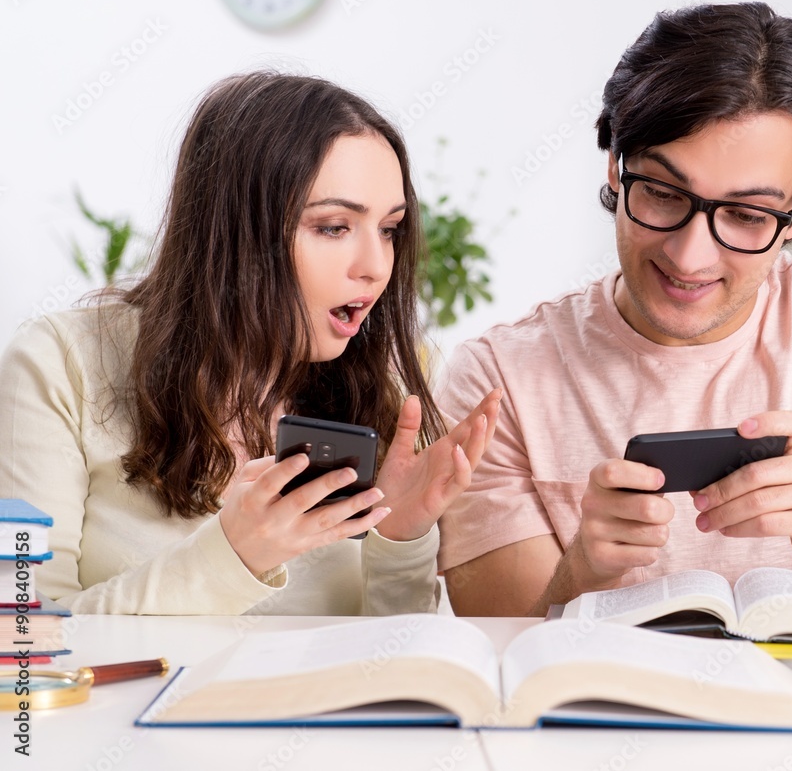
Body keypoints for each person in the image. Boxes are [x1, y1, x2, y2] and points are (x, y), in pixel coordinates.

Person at [435, 2, 792, 621]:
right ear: (615, 170)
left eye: (747, 215)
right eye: (661, 192)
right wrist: (582, 570)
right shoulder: (498, 377)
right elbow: (497, 663)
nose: (689, 255)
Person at [0, 71, 501, 615]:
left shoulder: (389, 384)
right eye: (334, 227)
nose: (376, 267)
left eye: (389, 229)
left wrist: (402, 538)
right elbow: (25, 639)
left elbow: (396, 670)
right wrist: (231, 555)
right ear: (234, 232)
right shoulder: (59, 363)